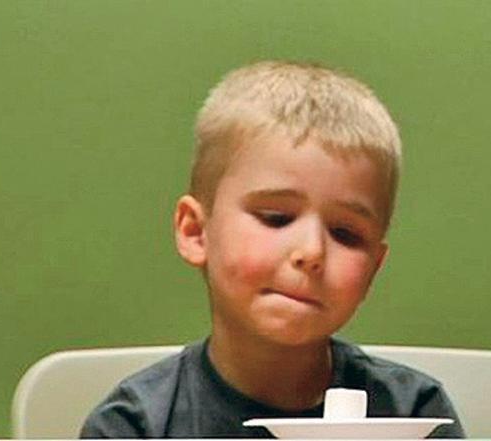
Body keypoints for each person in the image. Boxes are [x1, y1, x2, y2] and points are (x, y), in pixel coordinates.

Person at [80, 60, 465, 438]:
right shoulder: (133, 426)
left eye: (345, 234)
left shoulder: (416, 415)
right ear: (196, 232)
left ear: (373, 270)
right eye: (276, 218)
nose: (312, 251)